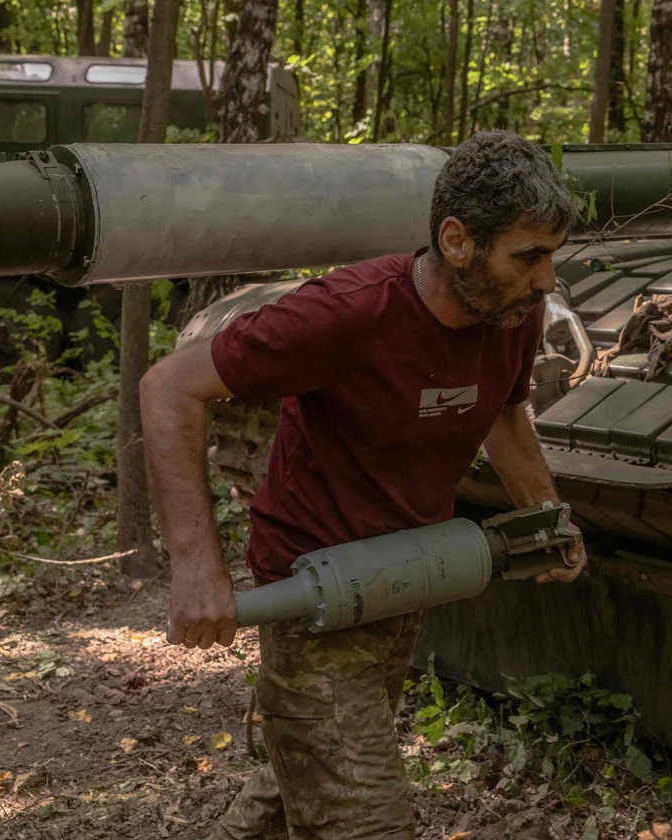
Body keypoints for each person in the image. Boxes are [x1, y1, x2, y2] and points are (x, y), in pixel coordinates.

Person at [138, 129, 588, 840]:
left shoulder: (511, 316)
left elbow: (504, 412)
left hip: (404, 579)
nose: (546, 281)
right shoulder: (348, 312)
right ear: (457, 240)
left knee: (303, 778)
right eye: (529, 257)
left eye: (551, 257)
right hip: (313, 590)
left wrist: (545, 513)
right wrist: (196, 567)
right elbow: (169, 387)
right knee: (363, 816)